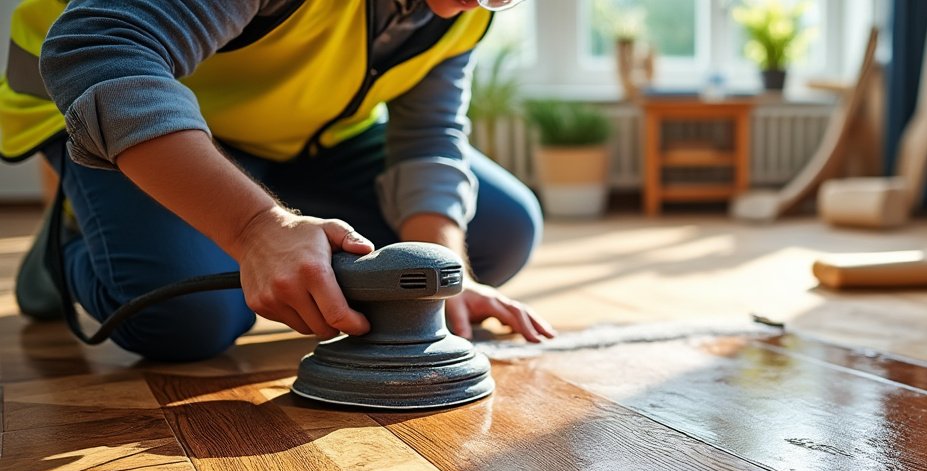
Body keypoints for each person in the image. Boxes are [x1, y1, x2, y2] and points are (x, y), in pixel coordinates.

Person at [1, 0, 555, 362]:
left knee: (495, 234)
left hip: (301, 135)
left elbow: (429, 135)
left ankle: (256, 219)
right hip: (110, 114)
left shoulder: (467, 10)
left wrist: (439, 269)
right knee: (184, 318)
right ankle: (66, 254)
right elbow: (100, 47)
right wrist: (256, 227)